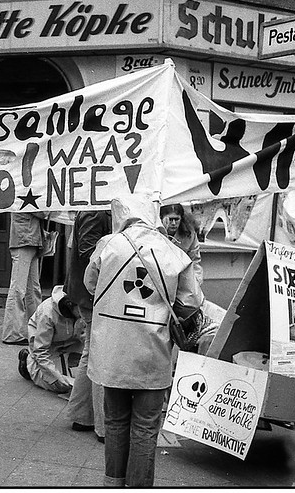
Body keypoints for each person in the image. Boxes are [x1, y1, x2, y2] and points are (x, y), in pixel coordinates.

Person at [85, 194, 203, 487]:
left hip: (113, 352)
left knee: (114, 422)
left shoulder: (108, 245)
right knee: (146, 427)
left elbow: (90, 284)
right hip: (153, 352)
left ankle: (112, 483)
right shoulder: (173, 252)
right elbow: (192, 301)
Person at [64, 210, 111, 442]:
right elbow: (89, 252)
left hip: (86, 292)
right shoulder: (96, 211)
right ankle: (102, 426)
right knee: (98, 354)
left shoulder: (94, 208)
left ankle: (82, 416)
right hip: (91, 293)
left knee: (91, 352)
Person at [17, 285, 85, 394]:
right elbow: (41, 351)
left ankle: (66, 363)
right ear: (70, 305)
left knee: (87, 375)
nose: (85, 312)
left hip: (71, 342)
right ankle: (28, 364)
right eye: (82, 309)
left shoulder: (80, 309)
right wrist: (56, 377)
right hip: (48, 346)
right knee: (61, 385)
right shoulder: (47, 313)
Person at [2, 212, 46, 344]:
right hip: (25, 239)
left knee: (32, 290)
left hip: (29, 240)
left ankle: (34, 329)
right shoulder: (25, 192)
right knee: (19, 290)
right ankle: (12, 333)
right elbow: (43, 213)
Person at [159, 204, 203, 285]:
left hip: (181, 279)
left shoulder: (189, 234)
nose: (173, 223)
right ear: (161, 218)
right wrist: (163, 232)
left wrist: (196, 283)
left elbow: (194, 260)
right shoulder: (154, 234)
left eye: (176, 219)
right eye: (170, 219)